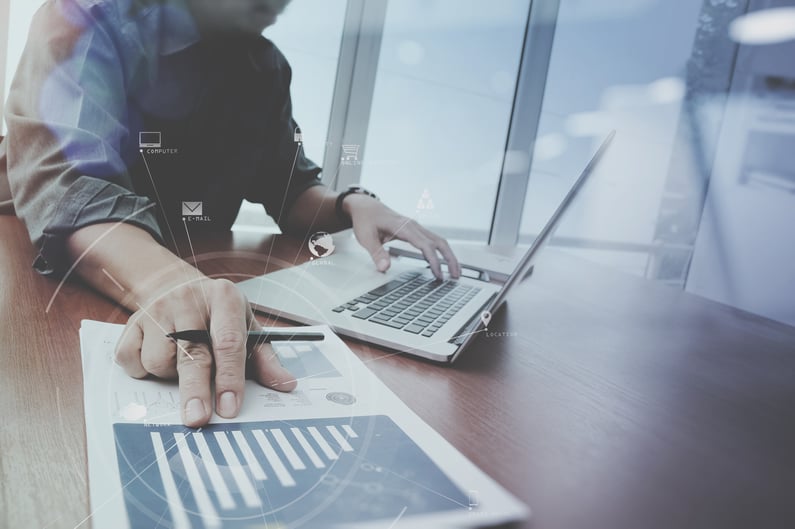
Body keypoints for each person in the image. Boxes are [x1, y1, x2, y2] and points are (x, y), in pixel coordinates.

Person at [0, 0, 461, 427]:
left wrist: (352, 203)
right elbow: (76, 190)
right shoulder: (88, 16)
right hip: (38, 270)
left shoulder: (266, 68)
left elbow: (291, 188)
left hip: (192, 264)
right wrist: (172, 286)